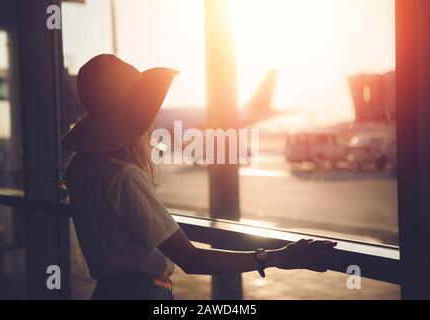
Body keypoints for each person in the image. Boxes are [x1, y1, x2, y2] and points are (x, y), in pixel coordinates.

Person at [62, 54, 337, 300]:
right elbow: (191, 260)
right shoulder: (123, 176)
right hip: (142, 291)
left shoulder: (79, 170)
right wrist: (277, 257)